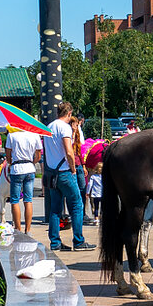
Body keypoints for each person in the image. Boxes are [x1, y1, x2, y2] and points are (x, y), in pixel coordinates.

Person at [43, 102, 93, 252]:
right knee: (77, 205)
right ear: (69, 113)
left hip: (52, 173)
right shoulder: (64, 128)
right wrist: (72, 168)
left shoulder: (49, 127)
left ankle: (55, 242)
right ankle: (78, 241)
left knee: (55, 209)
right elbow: (69, 151)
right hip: (64, 172)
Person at [5, 128, 42, 234]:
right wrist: (32, 162)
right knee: (28, 200)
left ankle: (18, 228)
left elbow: (8, 156)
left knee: (15, 200)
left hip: (17, 168)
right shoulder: (34, 135)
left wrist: (11, 162)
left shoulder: (12, 135)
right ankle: (28, 229)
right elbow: (38, 155)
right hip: (30, 167)